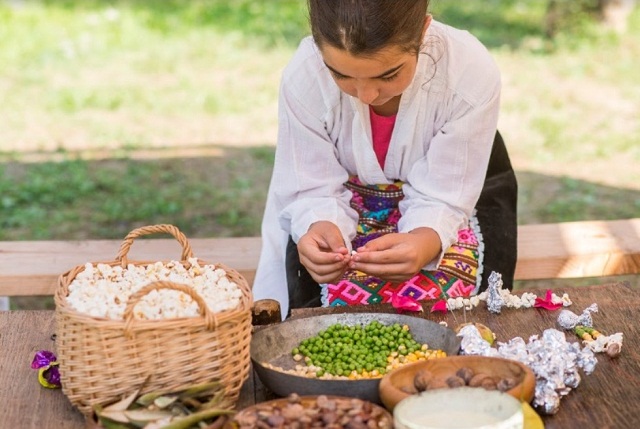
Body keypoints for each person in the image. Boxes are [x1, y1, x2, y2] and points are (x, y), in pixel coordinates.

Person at [253, 0, 518, 318]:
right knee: (319, 304)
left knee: (456, 310)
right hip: (339, 194)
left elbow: (448, 193)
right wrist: (319, 224)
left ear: (423, 32)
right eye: (340, 74)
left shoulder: (468, 71)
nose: (365, 95)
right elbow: (310, 184)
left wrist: (424, 240)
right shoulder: (304, 75)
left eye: (388, 74)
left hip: (453, 188)